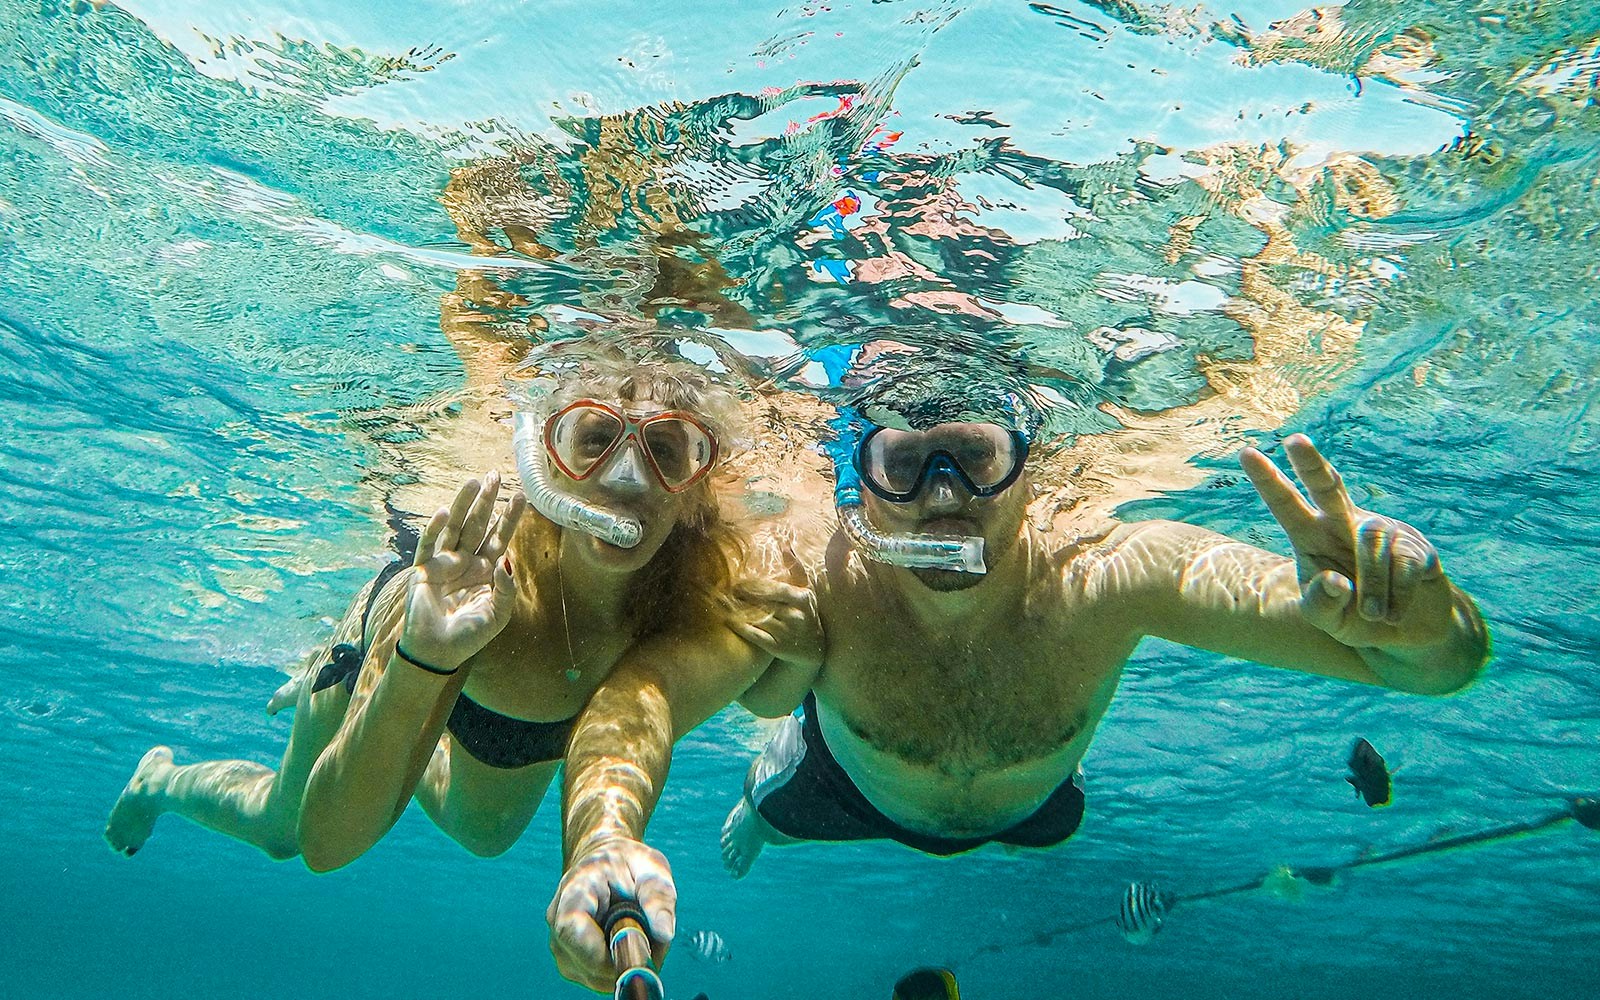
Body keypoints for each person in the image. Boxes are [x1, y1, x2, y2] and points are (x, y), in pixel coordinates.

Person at [544, 374, 1489, 991]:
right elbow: (642, 696)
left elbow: (1439, 668)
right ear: (859, 481)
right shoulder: (811, 578)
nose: (943, 497)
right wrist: (603, 836)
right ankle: (765, 785)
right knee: (774, 798)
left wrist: (1426, 623)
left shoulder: (1116, 571)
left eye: (976, 459)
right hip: (836, 791)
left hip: (1037, 806)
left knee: (1050, 819)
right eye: (905, 464)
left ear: (1029, 472)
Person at [105, 348, 750, 870]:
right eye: (596, 438)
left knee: (484, 837)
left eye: (666, 451)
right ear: (545, 461)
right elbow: (327, 847)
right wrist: (419, 664)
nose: (627, 477)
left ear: (698, 486)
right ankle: (161, 782)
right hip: (413, 638)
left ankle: (399, 730)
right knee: (284, 829)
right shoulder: (480, 574)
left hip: (513, 713)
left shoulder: (705, 591)